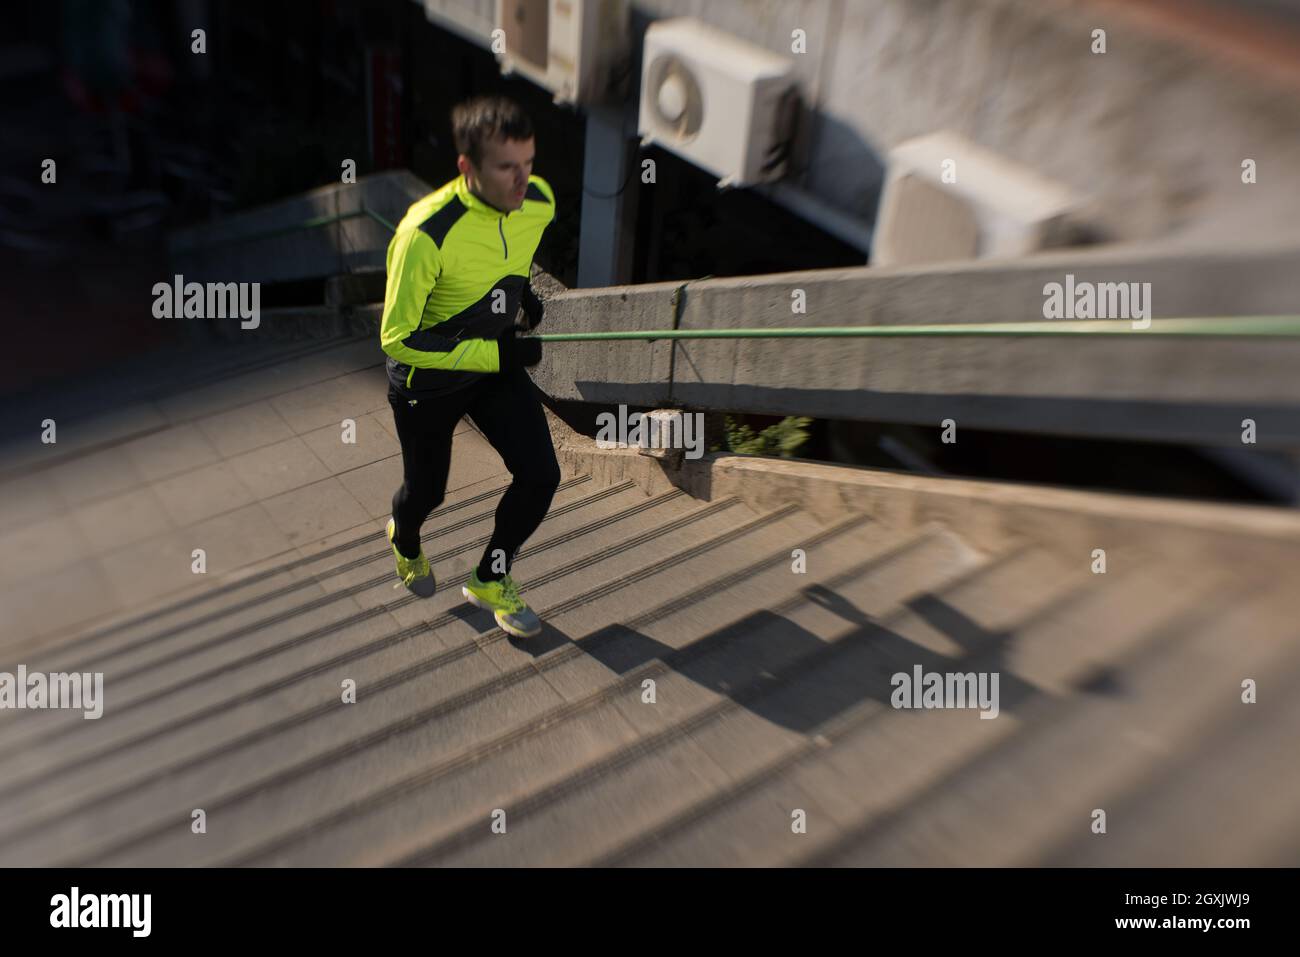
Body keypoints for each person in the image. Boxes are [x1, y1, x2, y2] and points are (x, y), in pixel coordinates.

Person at [378, 94, 559, 638]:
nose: (521, 181)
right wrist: (495, 352)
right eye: (506, 168)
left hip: (491, 365)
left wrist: (521, 290)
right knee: (427, 492)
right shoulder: (424, 232)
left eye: (527, 164)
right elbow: (396, 338)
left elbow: (507, 255)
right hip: (426, 383)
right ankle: (404, 539)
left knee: (541, 475)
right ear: (467, 168)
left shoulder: (540, 201)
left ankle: (489, 577)